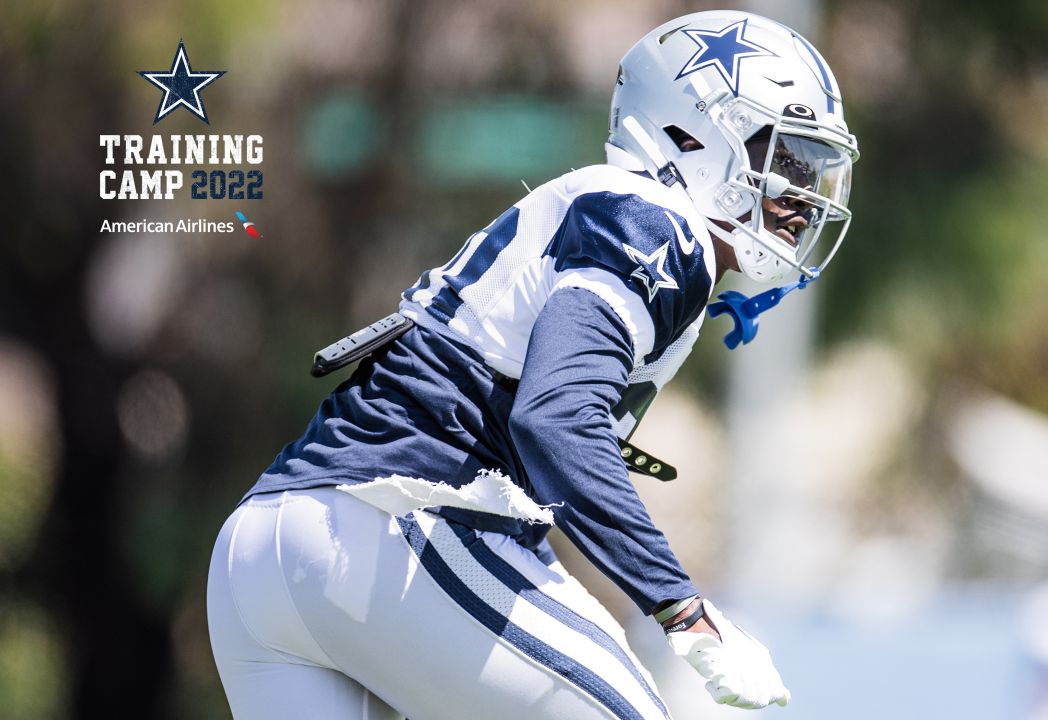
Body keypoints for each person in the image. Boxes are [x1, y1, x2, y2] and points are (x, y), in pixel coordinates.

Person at [207, 9, 858, 719]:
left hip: (267, 546)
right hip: (392, 525)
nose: (800, 194)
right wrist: (683, 609)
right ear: (695, 131)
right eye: (786, 157)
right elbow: (555, 417)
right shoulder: (657, 222)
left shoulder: (607, 210)